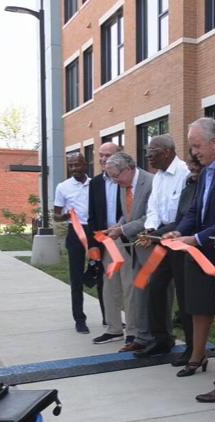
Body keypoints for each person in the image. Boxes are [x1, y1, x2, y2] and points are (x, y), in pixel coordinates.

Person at [164, 118, 215, 398]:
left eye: (197, 145)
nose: (193, 152)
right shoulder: (206, 172)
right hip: (200, 253)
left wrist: (194, 238)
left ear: (214, 142)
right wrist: (179, 231)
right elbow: (195, 211)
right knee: (201, 308)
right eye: (191, 145)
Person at [135, 135, 191, 360]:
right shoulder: (158, 177)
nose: (148, 155)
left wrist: (157, 233)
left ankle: (192, 346)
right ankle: (161, 339)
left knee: (185, 295)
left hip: (181, 239)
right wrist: (149, 229)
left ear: (167, 152)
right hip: (161, 241)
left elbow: (184, 214)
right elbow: (153, 209)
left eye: (152, 151)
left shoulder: (185, 173)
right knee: (154, 285)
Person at [102, 153, 162, 355]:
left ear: (128, 169)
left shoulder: (151, 182)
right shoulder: (123, 186)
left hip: (152, 249)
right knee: (138, 294)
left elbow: (151, 217)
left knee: (155, 296)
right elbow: (128, 215)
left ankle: (157, 338)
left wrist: (122, 230)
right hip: (135, 249)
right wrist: (117, 226)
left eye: (116, 175)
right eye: (110, 176)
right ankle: (140, 336)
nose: (114, 180)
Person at [165, 151, 203, 367]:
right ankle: (190, 347)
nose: (192, 169)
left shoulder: (207, 185)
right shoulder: (188, 186)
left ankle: (197, 351)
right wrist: (170, 232)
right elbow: (183, 218)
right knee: (186, 302)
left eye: (196, 165)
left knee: (197, 306)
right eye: (190, 165)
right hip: (182, 248)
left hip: (201, 250)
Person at [89, 143, 126, 344]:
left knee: (130, 285)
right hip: (106, 241)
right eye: (100, 156)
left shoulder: (129, 179)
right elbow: (92, 216)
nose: (103, 159)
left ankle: (137, 330)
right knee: (109, 286)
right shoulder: (95, 183)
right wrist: (94, 243)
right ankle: (114, 328)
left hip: (127, 238)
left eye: (107, 155)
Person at [53, 152, 93, 334]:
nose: (75, 168)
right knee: (75, 278)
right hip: (74, 233)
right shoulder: (63, 187)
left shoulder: (95, 184)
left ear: (85, 164)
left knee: (100, 274)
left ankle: (109, 317)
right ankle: (79, 319)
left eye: (77, 164)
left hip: (94, 232)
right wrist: (66, 216)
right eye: (71, 166)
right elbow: (56, 215)